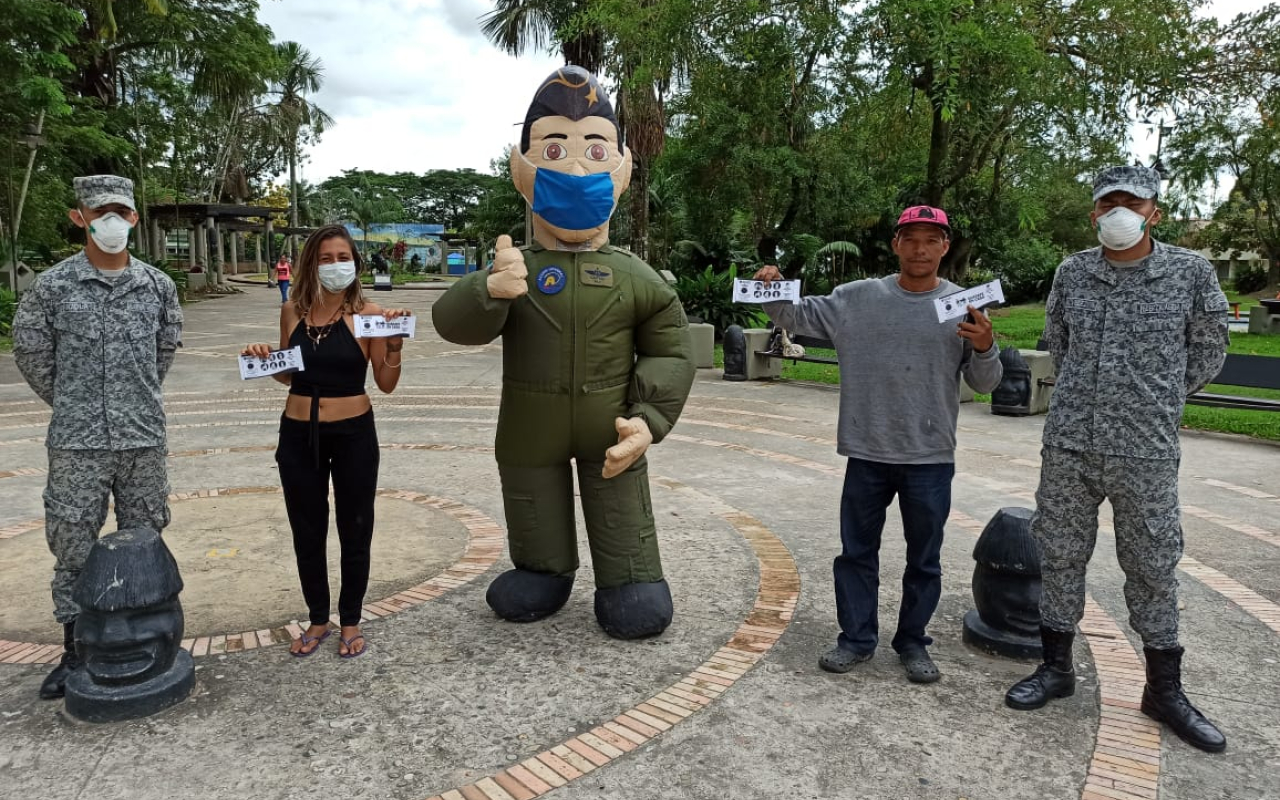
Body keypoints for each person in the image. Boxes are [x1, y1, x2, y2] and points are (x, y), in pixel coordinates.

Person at [432, 66, 695, 640]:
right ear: (522, 170)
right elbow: (452, 324)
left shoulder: (634, 276)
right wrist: (486, 291)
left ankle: (630, 578)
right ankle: (543, 569)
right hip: (530, 424)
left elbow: (671, 348)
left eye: (594, 149)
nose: (576, 166)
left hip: (611, 421)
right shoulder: (514, 268)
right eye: (554, 148)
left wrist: (648, 421)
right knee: (531, 497)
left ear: (620, 171)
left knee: (620, 501)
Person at [1004, 165, 1230, 753]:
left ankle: (1163, 689)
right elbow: (1060, 343)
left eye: (1132, 201)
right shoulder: (1072, 273)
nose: (1119, 210)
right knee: (1058, 553)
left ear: (1155, 210)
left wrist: (1158, 398)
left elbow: (1209, 350)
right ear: (1094, 212)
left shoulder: (1190, 271)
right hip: (1071, 442)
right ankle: (1055, 668)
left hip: (1145, 449)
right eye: (1109, 202)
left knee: (1153, 562)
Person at [753, 205, 1002, 683]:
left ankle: (913, 642)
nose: (921, 249)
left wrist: (987, 345)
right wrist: (773, 284)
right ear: (895, 245)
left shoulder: (964, 307)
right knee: (855, 554)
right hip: (866, 451)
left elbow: (986, 383)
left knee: (924, 560)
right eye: (911, 238)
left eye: (932, 240)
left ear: (945, 247)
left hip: (930, 456)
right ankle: (856, 639)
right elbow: (794, 314)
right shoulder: (856, 299)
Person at [12, 174, 183, 699]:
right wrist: (74, 404)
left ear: (134, 217)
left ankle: (153, 641)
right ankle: (75, 650)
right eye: (99, 210)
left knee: (146, 535)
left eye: (121, 212)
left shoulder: (157, 285)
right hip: (77, 442)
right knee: (72, 544)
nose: (112, 220)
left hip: (141, 437)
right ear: (79, 217)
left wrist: (133, 400)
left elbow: (164, 352)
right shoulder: (53, 287)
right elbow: (33, 355)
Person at [242, 224, 412, 658]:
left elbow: (386, 383)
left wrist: (392, 347)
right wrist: (263, 359)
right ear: (309, 265)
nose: (335, 266)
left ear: (355, 263)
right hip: (298, 433)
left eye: (342, 257)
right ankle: (318, 617)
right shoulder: (292, 311)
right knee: (307, 527)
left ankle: (351, 619)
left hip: (354, 433)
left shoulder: (369, 314)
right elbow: (288, 372)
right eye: (324, 258)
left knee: (355, 526)